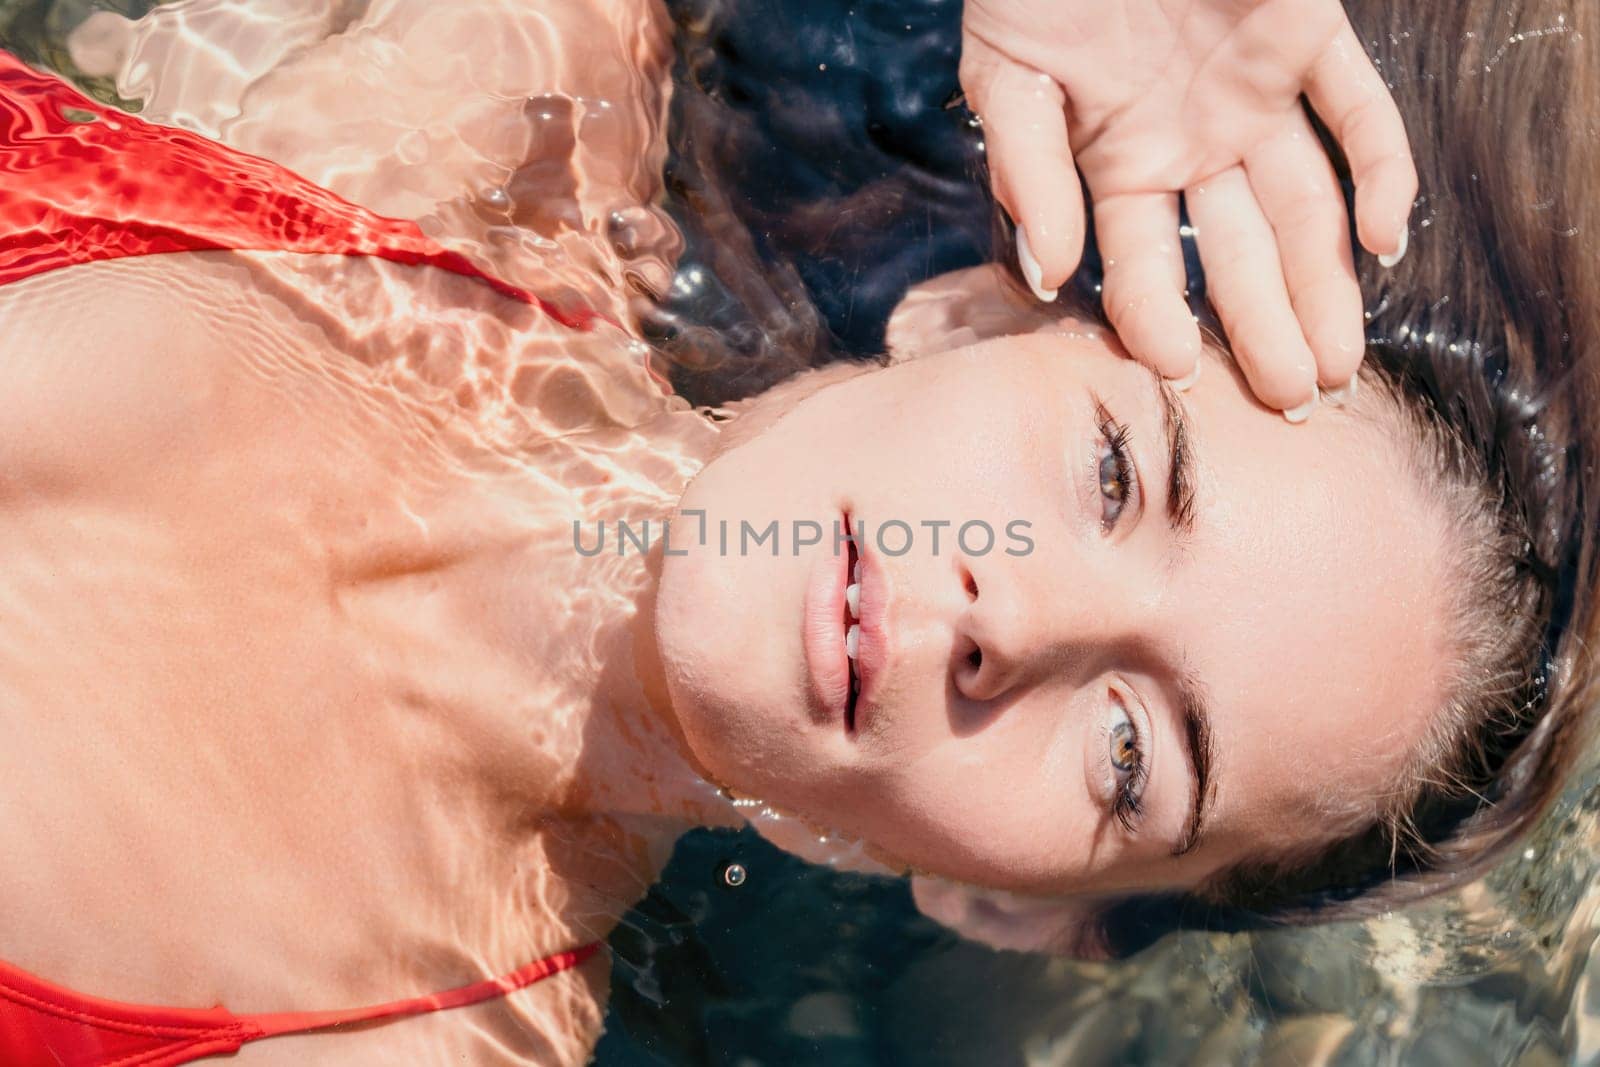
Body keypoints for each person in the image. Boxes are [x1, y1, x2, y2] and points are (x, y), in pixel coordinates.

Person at [0, 0, 1590, 1064]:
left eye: (1130, 753)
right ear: (967, 318)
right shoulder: (493, 118)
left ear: (1012, 907)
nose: (1009, 622)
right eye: (1113, 474)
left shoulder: (377, 1046)